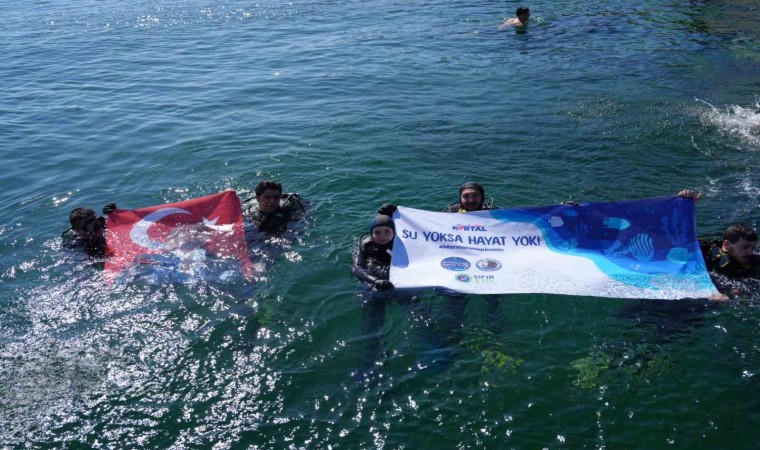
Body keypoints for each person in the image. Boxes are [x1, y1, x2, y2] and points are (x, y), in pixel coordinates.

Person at [678, 190, 759, 298]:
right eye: (745, 247)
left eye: (753, 247)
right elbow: (679, 238)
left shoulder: (754, 262)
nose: (750, 252)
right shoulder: (705, 252)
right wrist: (684, 206)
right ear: (726, 245)